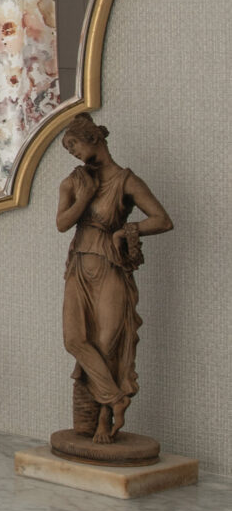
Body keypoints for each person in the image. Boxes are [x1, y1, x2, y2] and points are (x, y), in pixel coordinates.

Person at [54, 115, 172, 447]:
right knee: (75, 340)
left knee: (107, 346)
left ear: (92, 138)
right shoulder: (73, 182)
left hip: (110, 268)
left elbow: (162, 220)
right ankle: (116, 396)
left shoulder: (126, 181)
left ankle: (105, 419)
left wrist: (126, 230)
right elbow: (63, 224)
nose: (72, 153)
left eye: (74, 144)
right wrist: (85, 195)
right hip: (79, 267)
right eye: (68, 148)